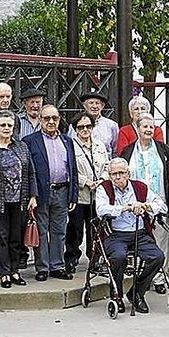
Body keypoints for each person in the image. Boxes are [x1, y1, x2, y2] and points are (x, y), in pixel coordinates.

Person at [96, 157, 168, 314]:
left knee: (157, 257)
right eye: (113, 174)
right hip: (115, 234)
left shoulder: (140, 187)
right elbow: (101, 210)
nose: (117, 177)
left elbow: (161, 205)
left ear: (128, 173)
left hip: (140, 234)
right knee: (118, 257)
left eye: (121, 173)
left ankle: (136, 292)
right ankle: (117, 296)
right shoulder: (104, 188)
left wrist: (145, 205)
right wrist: (124, 208)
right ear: (109, 175)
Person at [0, 110, 38, 288]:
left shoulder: (21, 147)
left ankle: (14, 271)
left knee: (16, 239)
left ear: (14, 128)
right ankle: (3, 273)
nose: (6, 128)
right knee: (1, 237)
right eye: (2, 125)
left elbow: (30, 172)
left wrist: (33, 195)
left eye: (9, 125)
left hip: (20, 200)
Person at [120, 113, 169, 294]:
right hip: (134, 205)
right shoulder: (128, 152)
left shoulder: (164, 150)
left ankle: (161, 279)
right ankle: (142, 277)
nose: (148, 130)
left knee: (161, 241)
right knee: (140, 241)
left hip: (158, 202)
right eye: (144, 127)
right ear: (137, 129)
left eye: (151, 127)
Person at [23, 105, 78, 281]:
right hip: (41, 193)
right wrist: (31, 195)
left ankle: (57, 266)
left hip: (62, 190)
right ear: (40, 119)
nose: (51, 121)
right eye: (47, 118)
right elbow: (27, 171)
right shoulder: (30, 141)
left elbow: (73, 168)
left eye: (54, 118)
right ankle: (43, 267)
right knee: (41, 230)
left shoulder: (67, 141)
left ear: (59, 119)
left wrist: (73, 194)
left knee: (59, 231)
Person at [66, 112, 108, 273]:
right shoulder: (70, 145)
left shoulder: (99, 145)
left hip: (97, 195)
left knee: (96, 230)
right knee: (75, 229)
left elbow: (106, 166)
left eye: (88, 126)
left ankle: (95, 258)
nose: (85, 130)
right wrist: (85, 181)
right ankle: (71, 257)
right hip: (80, 195)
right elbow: (69, 169)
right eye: (81, 127)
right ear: (75, 129)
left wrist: (102, 179)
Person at [68, 91, 119, 157]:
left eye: (97, 103)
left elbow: (116, 151)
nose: (94, 106)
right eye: (91, 103)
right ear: (84, 105)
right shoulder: (75, 125)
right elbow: (70, 146)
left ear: (102, 106)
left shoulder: (111, 125)